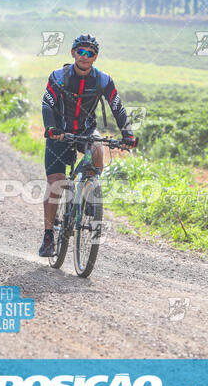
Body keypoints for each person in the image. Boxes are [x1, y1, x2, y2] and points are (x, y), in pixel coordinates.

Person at [39, 34, 137, 257]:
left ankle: (91, 193)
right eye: (80, 52)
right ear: (73, 53)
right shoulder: (59, 76)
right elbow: (47, 103)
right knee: (55, 182)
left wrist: (127, 134)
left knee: (98, 148)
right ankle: (47, 236)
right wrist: (51, 128)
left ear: (95, 57)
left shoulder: (103, 80)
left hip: (85, 130)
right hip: (60, 132)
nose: (84, 56)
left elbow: (117, 107)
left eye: (89, 53)